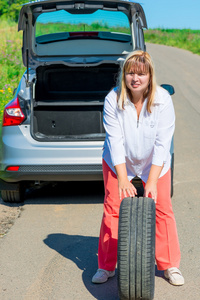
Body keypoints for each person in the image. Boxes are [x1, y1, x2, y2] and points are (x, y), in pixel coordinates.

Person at [92, 50, 184, 286]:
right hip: (118, 160)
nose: (135, 78)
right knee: (112, 208)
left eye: (141, 74)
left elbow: (163, 144)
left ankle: (169, 265)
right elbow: (115, 140)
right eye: (131, 72)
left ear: (150, 76)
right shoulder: (113, 99)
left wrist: (151, 182)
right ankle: (106, 266)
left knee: (162, 208)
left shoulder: (163, 99)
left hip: (155, 163)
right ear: (124, 75)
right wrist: (123, 179)